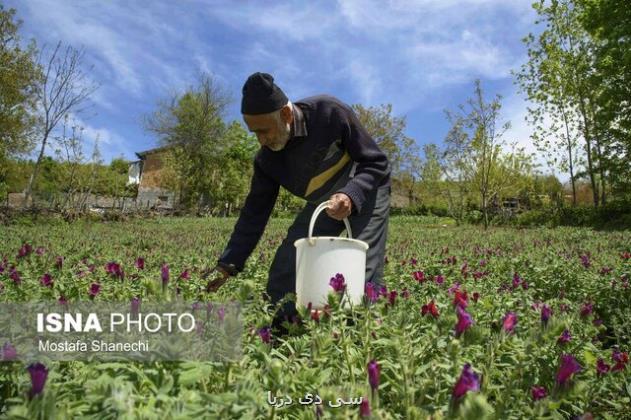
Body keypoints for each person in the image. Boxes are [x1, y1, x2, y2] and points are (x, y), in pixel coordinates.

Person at [203, 72, 391, 334]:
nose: (261, 140)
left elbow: (377, 161)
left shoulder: (329, 113)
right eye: (254, 132)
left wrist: (351, 194)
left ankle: (360, 338)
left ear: (286, 115)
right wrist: (228, 263)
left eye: (264, 130)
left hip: (367, 191)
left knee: (361, 268)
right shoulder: (266, 161)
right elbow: (254, 214)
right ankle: (282, 333)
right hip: (324, 202)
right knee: (288, 265)